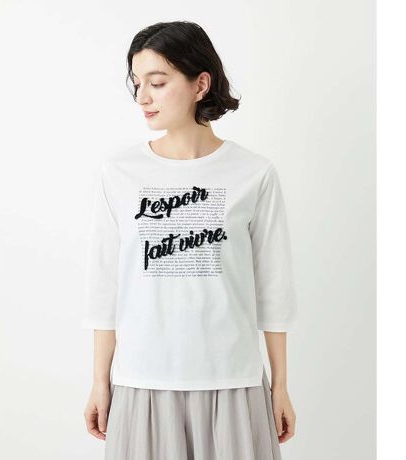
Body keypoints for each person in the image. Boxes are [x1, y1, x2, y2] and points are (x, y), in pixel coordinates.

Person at [82, 20, 300, 460]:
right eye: (137, 82)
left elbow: (273, 289)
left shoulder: (253, 173)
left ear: (201, 84)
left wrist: (280, 386)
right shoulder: (119, 174)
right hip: (143, 379)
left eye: (157, 82)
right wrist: (99, 382)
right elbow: (105, 287)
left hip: (232, 381)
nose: (142, 97)